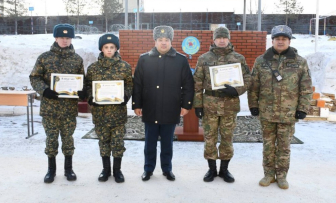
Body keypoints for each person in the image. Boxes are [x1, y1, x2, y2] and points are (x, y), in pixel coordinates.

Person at [248, 25, 312, 189]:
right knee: (268, 146)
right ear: (273, 40)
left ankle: (282, 176)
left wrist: (302, 108)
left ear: (289, 41)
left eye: (284, 39)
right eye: (278, 39)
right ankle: (268, 174)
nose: (280, 41)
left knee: (284, 147)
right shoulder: (261, 61)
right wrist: (253, 105)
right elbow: (254, 86)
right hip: (267, 113)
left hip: (288, 113)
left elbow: (305, 87)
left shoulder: (300, 62)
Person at [132, 25, 194, 182]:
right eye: (160, 40)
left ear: (171, 41)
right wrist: (137, 104)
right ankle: (148, 169)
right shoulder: (144, 59)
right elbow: (137, 84)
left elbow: (188, 84)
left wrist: (186, 105)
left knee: (167, 143)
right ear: (155, 41)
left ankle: (167, 169)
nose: (163, 43)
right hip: (150, 107)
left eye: (166, 39)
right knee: (149, 143)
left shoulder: (180, 60)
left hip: (170, 108)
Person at [193, 26, 251, 183]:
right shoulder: (204, 59)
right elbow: (197, 83)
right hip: (210, 104)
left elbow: (248, 79)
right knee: (210, 137)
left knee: (227, 137)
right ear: (214, 39)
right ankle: (211, 169)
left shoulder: (238, 58)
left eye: (224, 37)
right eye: (219, 37)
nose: (222, 40)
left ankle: (224, 169)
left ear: (228, 39)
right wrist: (198, 105)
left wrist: (237, 90)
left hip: (229, 104)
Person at [30, 24, 85, 183]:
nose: (65, 40)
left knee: (68, 139)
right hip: (50, 108)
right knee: (51, 139)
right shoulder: (44, 57)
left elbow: (82, 80)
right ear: (56, 38)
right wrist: (44, 90)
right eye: (62, 37)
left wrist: (82, 91)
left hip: (69, 109)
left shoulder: (77, 59)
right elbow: (35, 77)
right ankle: (51, 170)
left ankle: (68, 169)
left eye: (68, 38)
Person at [84, 33, 133, 183]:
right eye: (106, 47)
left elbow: (130, 85)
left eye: (112, 47)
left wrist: (125, 97)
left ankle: (117, 170)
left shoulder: (124, 67)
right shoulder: (93, 68)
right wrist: (91, 98)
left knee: (118, 142)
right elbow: (86, 86)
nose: (109, 50)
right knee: (103, 141)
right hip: (100, 113)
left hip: (118, 113)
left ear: (116, 48)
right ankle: (105, 170)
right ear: (102, 49)